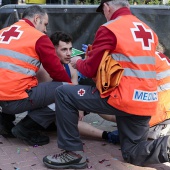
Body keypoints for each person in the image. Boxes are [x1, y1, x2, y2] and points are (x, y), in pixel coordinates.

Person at [42, 0, 170, 169]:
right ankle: (167, 146)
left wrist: (78, 62)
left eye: (104, 11)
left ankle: (71, 153)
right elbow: (127, 63)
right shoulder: (147, 30)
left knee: (64, 93)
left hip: (123, 98)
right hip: (147, 101)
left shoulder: (109, 28)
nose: (105, 15)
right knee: (133, 153)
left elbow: (89, 70)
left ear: (107, 6)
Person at [12, 30, 120, 145]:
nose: (69, 53)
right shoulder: (44, 71)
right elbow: (45, 103)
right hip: (44, 117)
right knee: (66, 111)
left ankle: (126, 122)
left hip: (61, 103)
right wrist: (74, 108)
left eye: (70, 49)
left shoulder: (70, 66)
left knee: (91, 99)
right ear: (53, 50)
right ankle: (108, 136)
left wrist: (80, 108)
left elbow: (75, 90)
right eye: (64, 50)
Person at [0, 5, 71, 146]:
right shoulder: (39, 38)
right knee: (67, 90)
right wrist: (70, 88)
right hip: (15, 99)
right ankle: (26, 128)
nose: (45, 29)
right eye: (45, 24)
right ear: (36, 19)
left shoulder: (3, 32)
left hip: (2, 99)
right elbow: (57, 71)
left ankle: (4, 122)